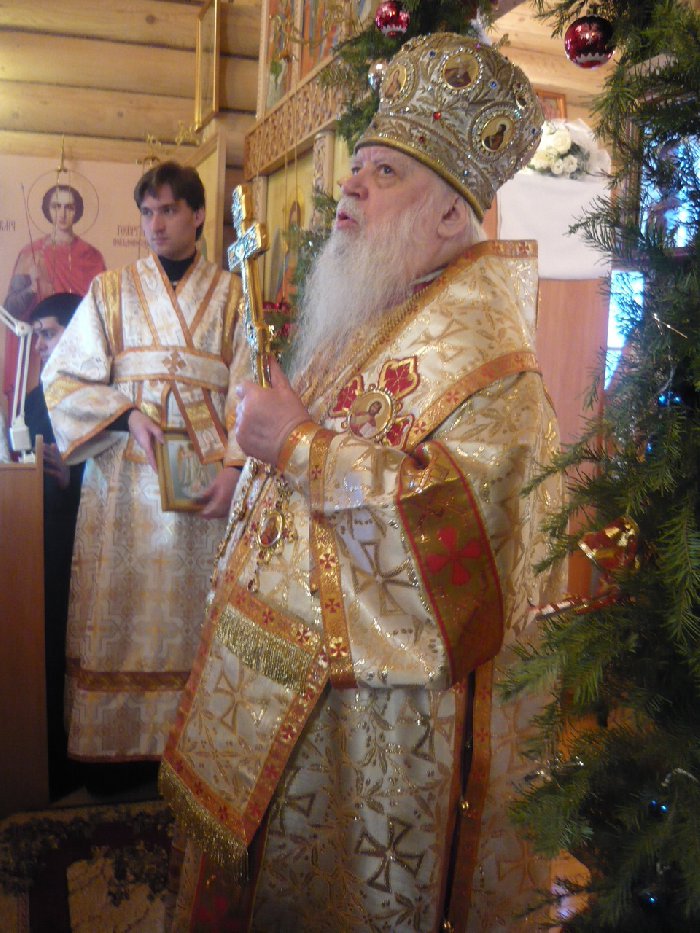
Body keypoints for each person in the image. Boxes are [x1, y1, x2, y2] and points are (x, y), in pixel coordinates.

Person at [161, 34, 564, 931]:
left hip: (373, 735)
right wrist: (260, 453)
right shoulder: (380, 307)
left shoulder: (492, 367)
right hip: (276, 683)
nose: (349, 184)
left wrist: (297, 446)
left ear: (450, 215)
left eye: (384, 174)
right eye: (359, 164)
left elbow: (462, 570)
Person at [42, 161, 243, 790]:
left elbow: (250, 389)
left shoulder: (233, 296)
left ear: (198, 215)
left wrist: (236, 467)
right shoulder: (110, 290)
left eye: (169, 210)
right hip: (125, 483)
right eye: (147, 212)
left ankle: (192, 751)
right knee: (122, 611)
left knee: (195, 616)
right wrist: (127, 413)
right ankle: (117, 754)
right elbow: (63, 377)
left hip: (203, 481)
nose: (155, 224)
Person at [25, 292, 85, 798]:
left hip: (88, 535)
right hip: (43, 536)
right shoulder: (33, 399)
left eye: (47, 333)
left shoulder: (101, 390)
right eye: (36, 336)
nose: (40, 345)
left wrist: (73, 478)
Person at [4, 183, 107, 322]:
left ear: (77, 211)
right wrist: (32, 289)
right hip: (42, 332)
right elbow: (10, 309)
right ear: (48, 209)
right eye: (56, 206)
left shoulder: (92, 256)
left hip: (80, 330)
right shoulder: (31, 253)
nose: (62, 214)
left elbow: (104, 305)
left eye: (69, 207)